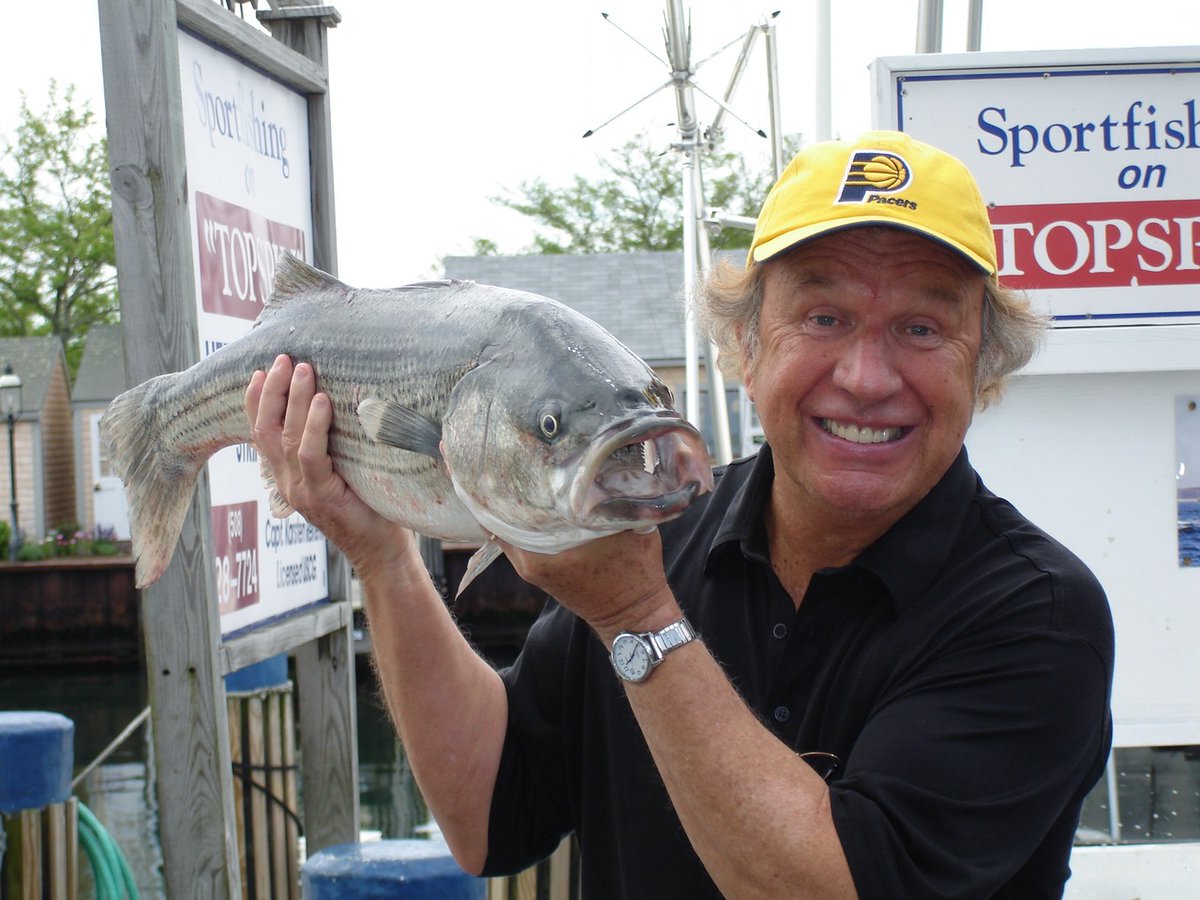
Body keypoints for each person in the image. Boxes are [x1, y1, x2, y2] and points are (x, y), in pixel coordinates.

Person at [246, 130, 1114, 898]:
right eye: (823, 315)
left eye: (922, 328)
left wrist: (637, 619)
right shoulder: (658, 532)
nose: (866, 375)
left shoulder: (1037, 614)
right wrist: (383, 558)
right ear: (744, 343)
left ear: (984, 367)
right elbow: (486, 816)